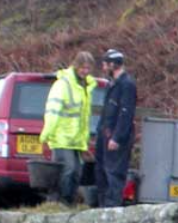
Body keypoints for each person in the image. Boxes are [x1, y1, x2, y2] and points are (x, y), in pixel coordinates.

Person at [40, 51, 97, 207]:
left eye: (88, 68)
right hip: (61, 137)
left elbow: (84, 118)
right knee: (68, 169)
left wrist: (85, 143)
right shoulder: (62, 85)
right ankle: (60, 202)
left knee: (77, 172)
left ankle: (69, 202)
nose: (85, 71)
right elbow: (53, 111)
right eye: (83, 68)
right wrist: (46, 135)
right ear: (76, 66)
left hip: (76, 140)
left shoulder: (86, 87)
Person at [94, 49, 136, 208]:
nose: (104, 68)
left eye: (105, 64)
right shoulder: (113, 84)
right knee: (101, 171)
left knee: (114, 173)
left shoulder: (127, 85)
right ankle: (102, 207)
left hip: (115, 137)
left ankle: (111, 209)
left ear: (113, 64)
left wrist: (117, 137)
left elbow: (126, 113)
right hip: (104, 134)